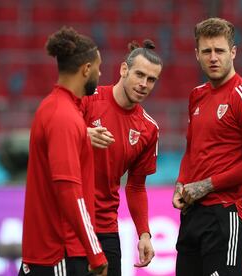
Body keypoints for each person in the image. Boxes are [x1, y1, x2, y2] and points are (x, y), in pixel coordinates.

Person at [172, 17, 242, 276]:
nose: (213, 57)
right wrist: (181, 184)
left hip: (227, 214)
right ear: (196, 54)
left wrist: (207, 184)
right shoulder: (197, 94)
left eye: (220, 50)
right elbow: (191, 149)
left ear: (233, 52)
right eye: (206, 51)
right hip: (193, 214)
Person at [19, 26, 108, 276]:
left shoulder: (55, 107)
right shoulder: (64, 116)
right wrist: (95, 251)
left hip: (50, 252)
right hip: (61, 252)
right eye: (99, 67)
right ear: (86, 69)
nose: (100, 74)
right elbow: (68, 189)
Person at [81, 39, 162, 275]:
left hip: (105, 227)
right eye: (139, 74)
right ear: (123, 69)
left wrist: (144, 233)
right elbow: (49, 135)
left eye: (151, 79)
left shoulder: (148, 129)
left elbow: (136, 187)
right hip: (67, 221)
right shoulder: (87, 99)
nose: (144, 84)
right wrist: (81, 134)